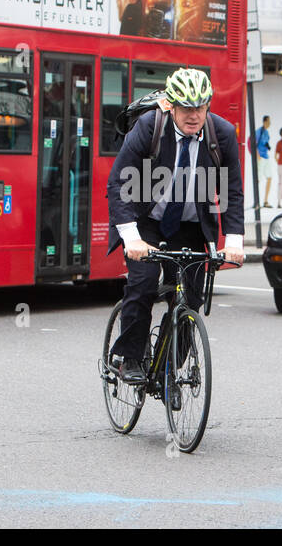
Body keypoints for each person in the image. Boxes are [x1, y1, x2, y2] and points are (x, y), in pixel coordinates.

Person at [105, 68, 245, 383]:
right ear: (171, 105)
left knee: (190, 297)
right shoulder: (150, 127)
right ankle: (131, 357)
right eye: (186, 107)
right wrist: (131, 238)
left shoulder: (220, 135)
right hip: (147, 222)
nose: (194, 115)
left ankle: (170, 366)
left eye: (200, 107)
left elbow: (231, 191)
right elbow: (117, 184)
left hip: (192, 225)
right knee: (143, 283)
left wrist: (234, 241)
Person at [255, 115, 273, 207]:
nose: (270, 123)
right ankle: (256, 200)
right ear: (265, 121)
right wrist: (257, 155)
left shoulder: (266, 132)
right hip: (260, 157)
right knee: (258, 179)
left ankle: (265, 200)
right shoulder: (259, 132)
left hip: (266, 157)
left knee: (269, 177)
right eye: (268, 121)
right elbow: (254, 143)